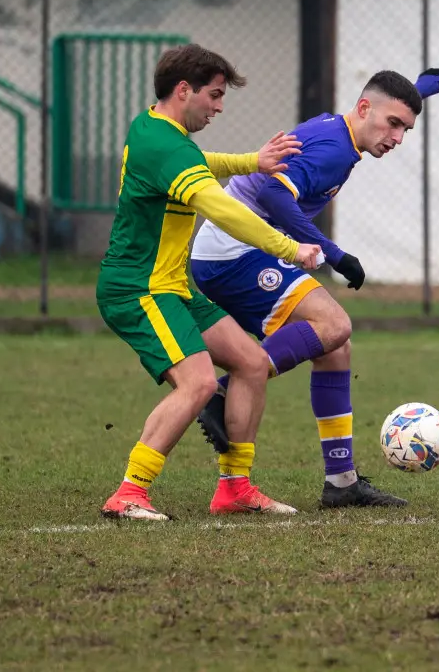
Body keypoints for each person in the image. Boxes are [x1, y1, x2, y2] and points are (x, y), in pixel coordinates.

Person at [189, 68, 439, 512]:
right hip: (232, 250)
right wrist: (334, 254)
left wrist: (422, 88)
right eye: (394, 125)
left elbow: (383, 101)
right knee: (334, 323)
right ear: (365, 110)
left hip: (245, 246)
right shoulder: (334, 149)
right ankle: (226, 388)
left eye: (406, 129)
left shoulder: (346, 127)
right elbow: (276, 195)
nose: (398, 138)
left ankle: (341, 481)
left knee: (336, 348)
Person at [96, 43, 322, 522]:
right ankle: (129, 491)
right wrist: (289, 249)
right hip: (138, 288)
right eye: (215, 95)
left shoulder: (158, 130)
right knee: (198, 384)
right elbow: (219, 207)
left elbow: (201, 162)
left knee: (252, 362)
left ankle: (234, 488)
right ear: (184, 90)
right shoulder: (163, 144)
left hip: (172, 287)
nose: (219, 106)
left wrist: (251, 162)